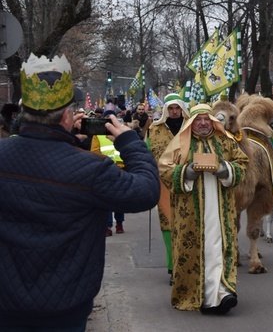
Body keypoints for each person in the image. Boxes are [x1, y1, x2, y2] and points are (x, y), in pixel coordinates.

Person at [0, 53, 159, 330]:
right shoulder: (91, 170)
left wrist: (71, 143)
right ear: (65, 116)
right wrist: (130, 143)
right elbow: (145, 191)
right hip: (64, 306)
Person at [158, 104, 247, 314]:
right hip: (190, 211)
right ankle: (197, 295)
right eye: (199, 120)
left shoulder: (225, 140)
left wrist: (224, 169)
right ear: (192, 122)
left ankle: (222, 293)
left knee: (218, 247)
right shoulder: (180, 142)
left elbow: (242, 163)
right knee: (196, 249)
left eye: (207, 119)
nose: (204, 123)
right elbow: (164, 167)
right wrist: (186, 172)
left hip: (220, 209)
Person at [146, 93, 189, 284]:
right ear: (165, 110)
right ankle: (173, 267)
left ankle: (188, 264)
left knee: (188, 224)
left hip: (188, 182)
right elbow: (146, 155)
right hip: (163, 185)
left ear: (181, 109)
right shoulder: (154, 130)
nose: (173, 112)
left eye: (176, 108)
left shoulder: (191, 127)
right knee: (169, 226)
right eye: (170, 108)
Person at [90, 109, 127, 236]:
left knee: (120, 199)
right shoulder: (97, 134)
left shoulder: (121, 132)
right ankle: (107, 226)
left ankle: (119, 223)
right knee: (107, 199)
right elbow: (95, 152)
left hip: (121, 169)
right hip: (106, 170)